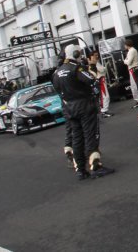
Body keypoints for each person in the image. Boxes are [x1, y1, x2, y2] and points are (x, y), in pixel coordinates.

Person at [51, 45, 114, 180]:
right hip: (84, 106)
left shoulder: (57, 73)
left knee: (77, 138)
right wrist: (94, 94)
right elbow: (92, 81)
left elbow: (57, 90)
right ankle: (95, 166)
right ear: (76, 54)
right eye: (79, 53)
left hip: (69, 108)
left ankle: (80, 169)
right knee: (90, 135)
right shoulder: (76, 68)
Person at [123, 38, 138, 107]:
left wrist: (124, 61)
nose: (124, 46)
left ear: (127, 45)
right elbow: (128, 61)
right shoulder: (131, 51)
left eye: (125, 45)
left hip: (134, 70)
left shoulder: (132, 51)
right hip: (132, 70)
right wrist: (126, 61)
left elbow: (128, 62)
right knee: (134, 86)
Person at [88, 51, 111, 119]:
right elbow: (102, 70)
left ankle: (104, 111)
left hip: (101, 80)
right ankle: (103, 111)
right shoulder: (93, 64)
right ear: (92, 56)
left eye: (97, 55)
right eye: (95, 55)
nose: (97, 56)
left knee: (104, 96)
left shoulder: (96, 63)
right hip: (99, 81)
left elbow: (103, 70)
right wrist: (103, 69)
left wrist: (103, 69)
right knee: (104, 96)